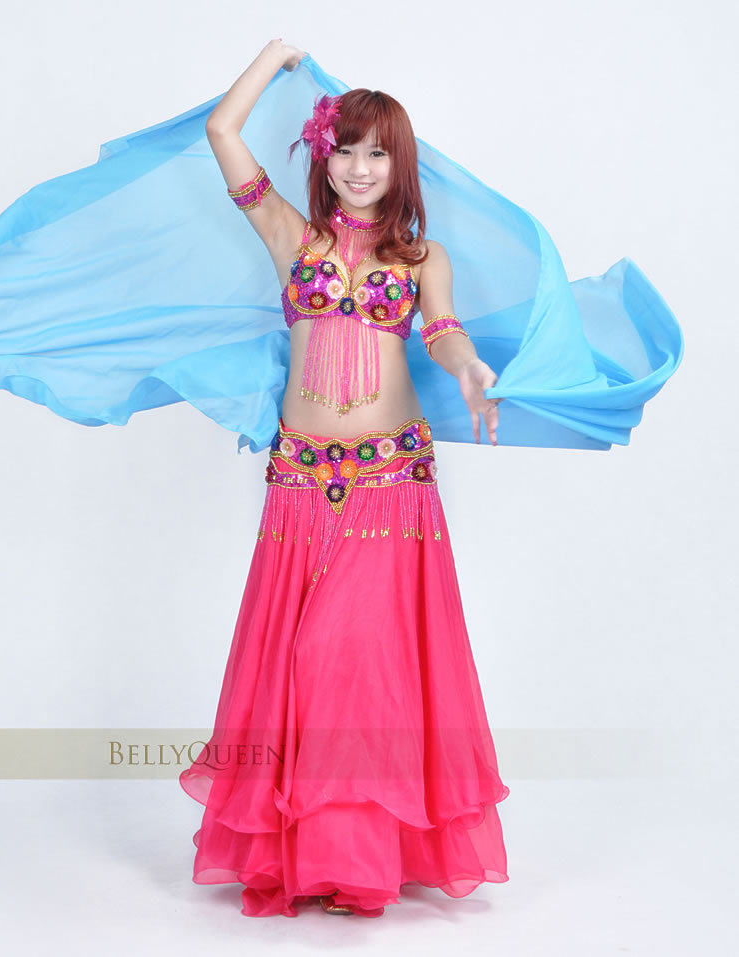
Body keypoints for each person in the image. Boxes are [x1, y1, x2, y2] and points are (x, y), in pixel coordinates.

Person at [177, 38, 511, 919]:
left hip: (391, 482)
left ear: (401, 167)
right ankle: (317, 855)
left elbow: (444, 332)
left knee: (358, 660)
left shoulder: (422, 258)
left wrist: (470, 370)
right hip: (299, 482)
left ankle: (358, 857)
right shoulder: (293, 236)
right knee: (300, 664)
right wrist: (272, 55)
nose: (360, 168)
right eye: (346, 149)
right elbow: (222, 131)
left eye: (378, 154)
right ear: (323, 155)